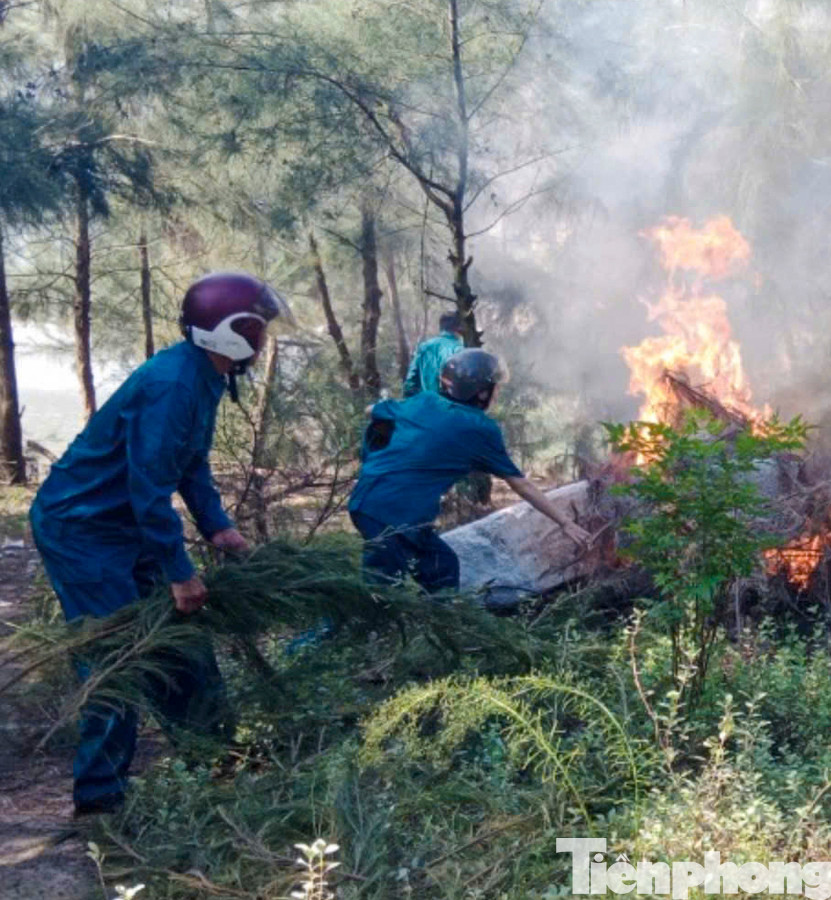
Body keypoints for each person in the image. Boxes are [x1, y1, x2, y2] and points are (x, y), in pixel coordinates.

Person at [29, 272, 291, 816]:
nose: (263, 340)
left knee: (184, 640)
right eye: (258, 328)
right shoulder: (173, 383)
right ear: (232, 331)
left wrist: (218, 526)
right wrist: (179, 570)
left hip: (127, 523)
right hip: (82, 527)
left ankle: (214, 759)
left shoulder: (207, 375)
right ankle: (101, 799)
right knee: (120, 653)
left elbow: (189, 464)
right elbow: (148, 486)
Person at [348, 347, 591, 593]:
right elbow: (521, 484)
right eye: (496, 388)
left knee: (443, 568)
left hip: (372, 501)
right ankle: (347, 630)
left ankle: (439, 625)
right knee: (381, 594)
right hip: (392, 513)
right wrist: (563, 522)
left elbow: (371, 411)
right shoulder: (479, 428)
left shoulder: (426, 400)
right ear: (481, 393)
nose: (498, 393)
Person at [403, 311, 465, 398]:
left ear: (441, 327)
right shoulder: (460, 350)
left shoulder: (424, 347)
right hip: (449, 407)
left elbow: (410, 383)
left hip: (425, 405)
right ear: (459, 328)